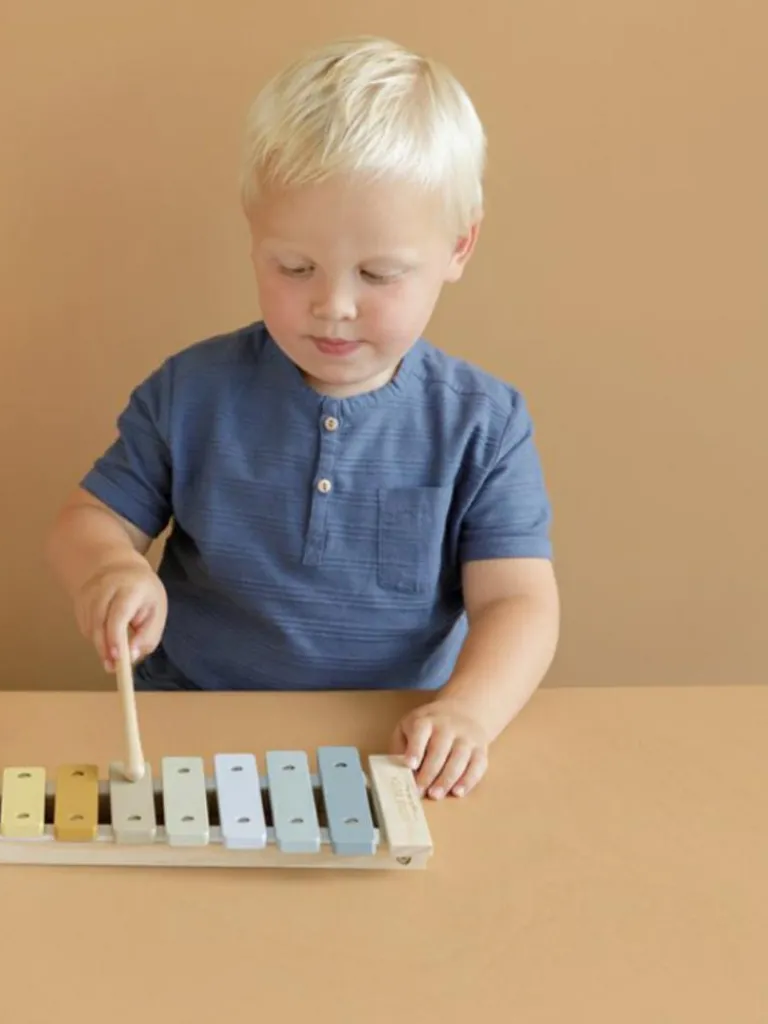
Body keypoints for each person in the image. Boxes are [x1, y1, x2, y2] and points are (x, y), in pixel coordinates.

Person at [46, 35, 560, 801]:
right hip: (189, 726)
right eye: (294, 268)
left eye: (379, 274)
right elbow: (84, 523)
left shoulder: (483, 424)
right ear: (254, 240)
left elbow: (519, 604)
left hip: (388, 748)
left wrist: (467, 713)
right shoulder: (192, 390)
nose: (333, 305)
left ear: (459, 247)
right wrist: (110, 572)